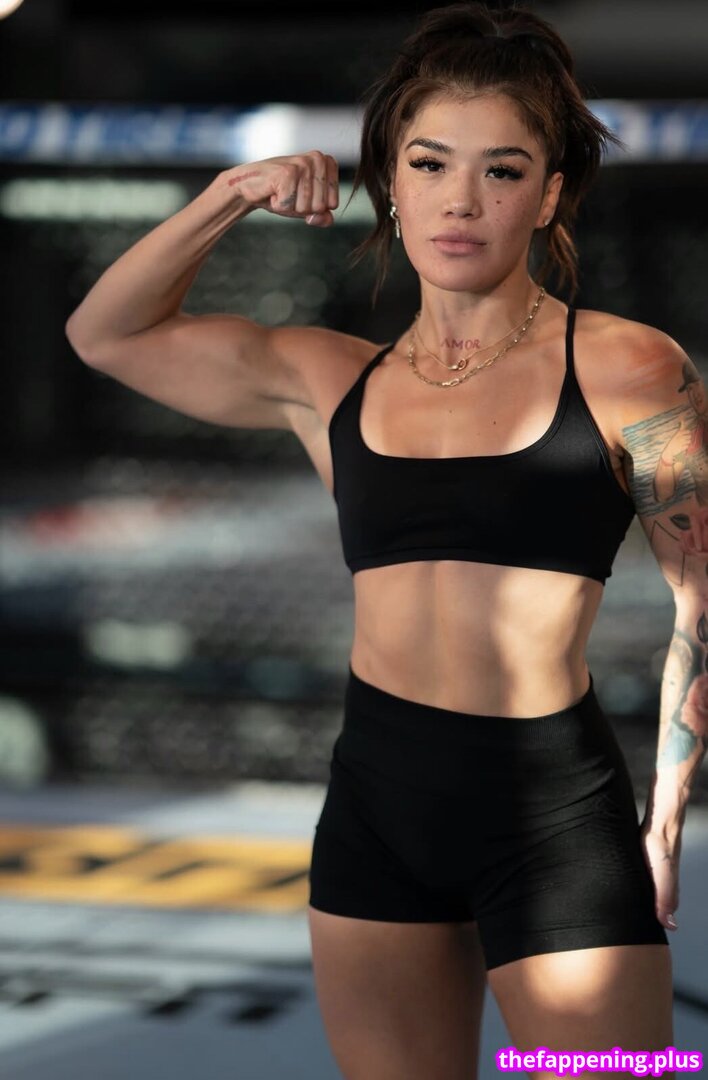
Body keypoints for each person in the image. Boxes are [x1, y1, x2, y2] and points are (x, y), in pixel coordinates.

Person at [64, 3, 706, 1076]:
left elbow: (703, 598)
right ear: (391, 185)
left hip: (554, 816)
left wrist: (668, 814)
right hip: (375, 807)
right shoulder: (328, 378)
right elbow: (104, 333)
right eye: (430, 163)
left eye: (503, 171)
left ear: (550, 195)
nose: (462, 199)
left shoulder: (627, 366)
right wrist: (229, 195)